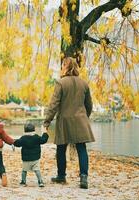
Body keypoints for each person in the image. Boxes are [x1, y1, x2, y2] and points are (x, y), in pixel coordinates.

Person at [43, 57, 95, 189]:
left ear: (65, 67)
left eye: (62, 65)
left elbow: (53, 104)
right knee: (81, 149)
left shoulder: (61, 83)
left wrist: (46, 122)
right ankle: (84, 177)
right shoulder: (84, 84)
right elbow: (89, 105)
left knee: (61, 148)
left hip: (64, 121)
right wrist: (84, 117)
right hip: (80, 120)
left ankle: (61, 176)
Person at [14, 123, 49, 187]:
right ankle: (40, 181)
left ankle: (23, 181)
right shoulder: (36, 137)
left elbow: (18, 143)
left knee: (24, 170)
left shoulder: (23, 138)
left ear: (25, 130)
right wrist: (45, 133)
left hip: (26, 159)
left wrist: (13, 141)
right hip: (35, 158)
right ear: (34, 129)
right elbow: (43, 140)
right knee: (37, 170)